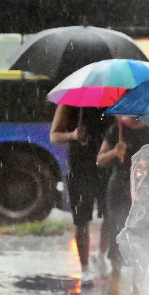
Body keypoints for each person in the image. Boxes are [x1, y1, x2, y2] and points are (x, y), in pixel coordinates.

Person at [50, 104, 113, 285]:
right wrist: (73, 135)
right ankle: (85, 267)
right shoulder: (73, 100)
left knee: (110, 214)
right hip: (80, 166)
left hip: (107, 165)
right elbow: (54, 135)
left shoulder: (115, 95)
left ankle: (101, 255)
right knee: (82, 219)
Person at [97, 116, 149, 277]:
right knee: (118, 230)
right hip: (119, 187)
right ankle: (116, 272)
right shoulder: (117, 129)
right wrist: (114, 152)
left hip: (145, 188)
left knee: (142, 234)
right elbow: (99, 160)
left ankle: (138, 284)